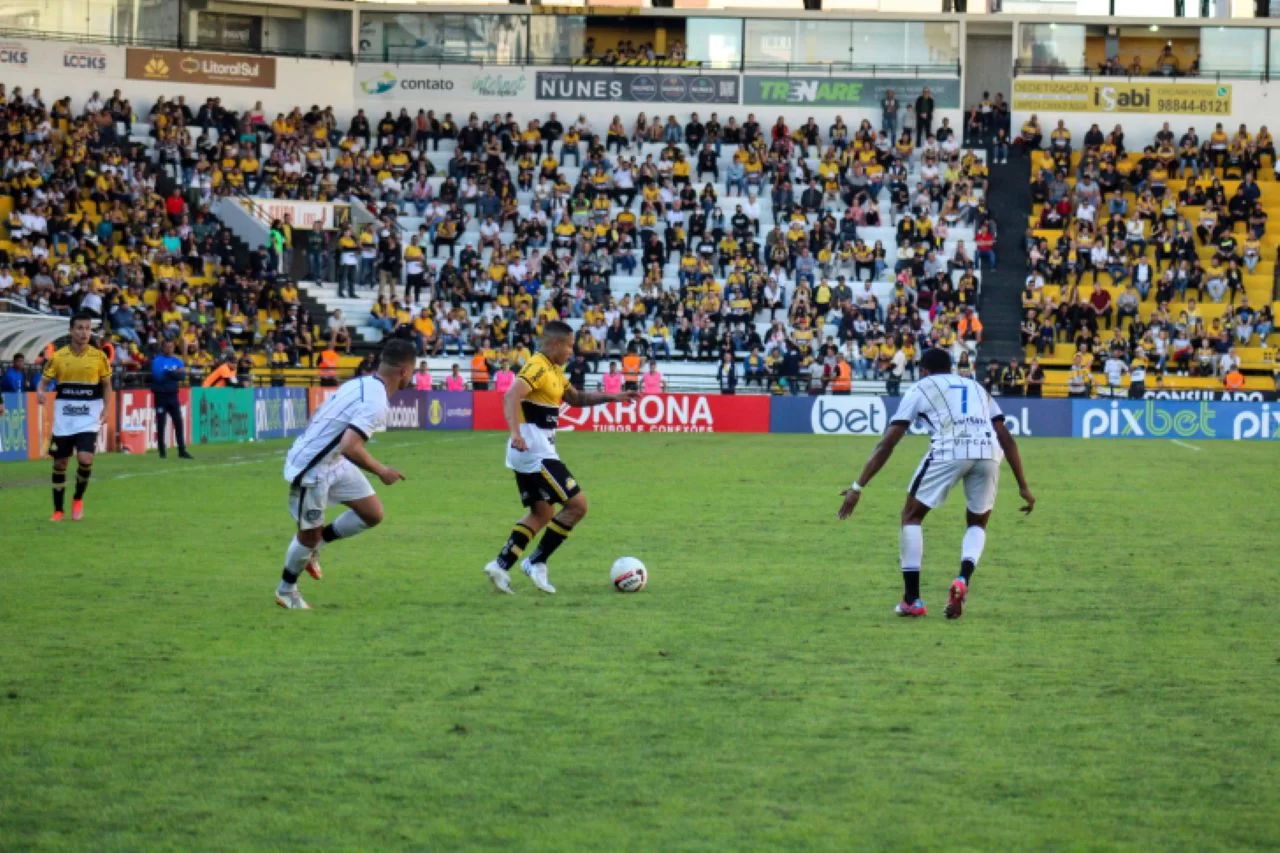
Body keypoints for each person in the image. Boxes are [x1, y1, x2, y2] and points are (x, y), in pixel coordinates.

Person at [836, 348, 1035, 620]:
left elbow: (889, 441)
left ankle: (912, 600)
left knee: (911, 516)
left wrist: (858, 487)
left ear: (924, 370)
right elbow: (1005, 436)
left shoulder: (922, 386)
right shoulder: (976, 386)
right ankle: (963, 578)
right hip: (990, 452)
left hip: (951, 448)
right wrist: (1023, 485)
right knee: (977, 523)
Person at [484, 321, 637, 595]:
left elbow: (576, 398)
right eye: (569, 345)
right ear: (554, 343)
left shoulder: (554, 370)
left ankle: (500, 564)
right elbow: (511, 395)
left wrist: (613, 397)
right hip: (535, 451)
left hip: (532, 451)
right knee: (577, 506)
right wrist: (515, 432)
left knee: (542, 513)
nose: (572, 351)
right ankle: (536, 561)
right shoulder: (538, 365)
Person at [275, 339, 416, 610]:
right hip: (312, 468)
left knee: (372, 513)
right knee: (307, 535)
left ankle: (319, 545)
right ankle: (286, 589)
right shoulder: (375, 402)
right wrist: (382, 471)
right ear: (403, 372)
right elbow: (350, 446)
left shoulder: (360, 383)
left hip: (334, 461)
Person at [36, 312, 112, 522]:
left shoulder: (99, 357)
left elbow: (107, 386)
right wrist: (41, 392)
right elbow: (42, 382)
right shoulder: (59, 357)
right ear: (71, 331)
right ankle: (58, 510)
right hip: (65, 418)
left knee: (85, 458)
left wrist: (106, 409)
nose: (84, 332)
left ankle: (78, 498)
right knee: (60, 463)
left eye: (87, 328)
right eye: (79, 328)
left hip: (89, 417)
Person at [150, 339, 193, 459]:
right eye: (167, 347)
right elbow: (158, 376)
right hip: (160, 395)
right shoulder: (157, 361)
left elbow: (182, 375)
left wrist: (169, 372)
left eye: (171, 347)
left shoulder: (177, 360)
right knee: (161, 423)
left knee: (178, 422)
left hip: (173, 394)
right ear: (163, 348)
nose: (170, 349)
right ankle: (162, 451)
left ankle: (182, 450)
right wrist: (173, 372)